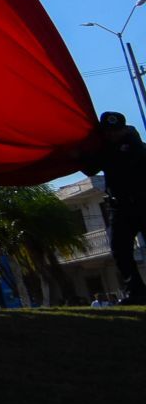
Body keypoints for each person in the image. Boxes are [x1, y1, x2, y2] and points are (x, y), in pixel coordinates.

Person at [80, 111, 146, 305]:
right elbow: (91, 168)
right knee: (120, 250)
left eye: (116, 131)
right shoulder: (106, 147)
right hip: (120, 206)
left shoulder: (134, 145)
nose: (112, 135)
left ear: (124, 129)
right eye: (109, 131)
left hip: (142, 203)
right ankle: (136, 292)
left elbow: (121, 161)